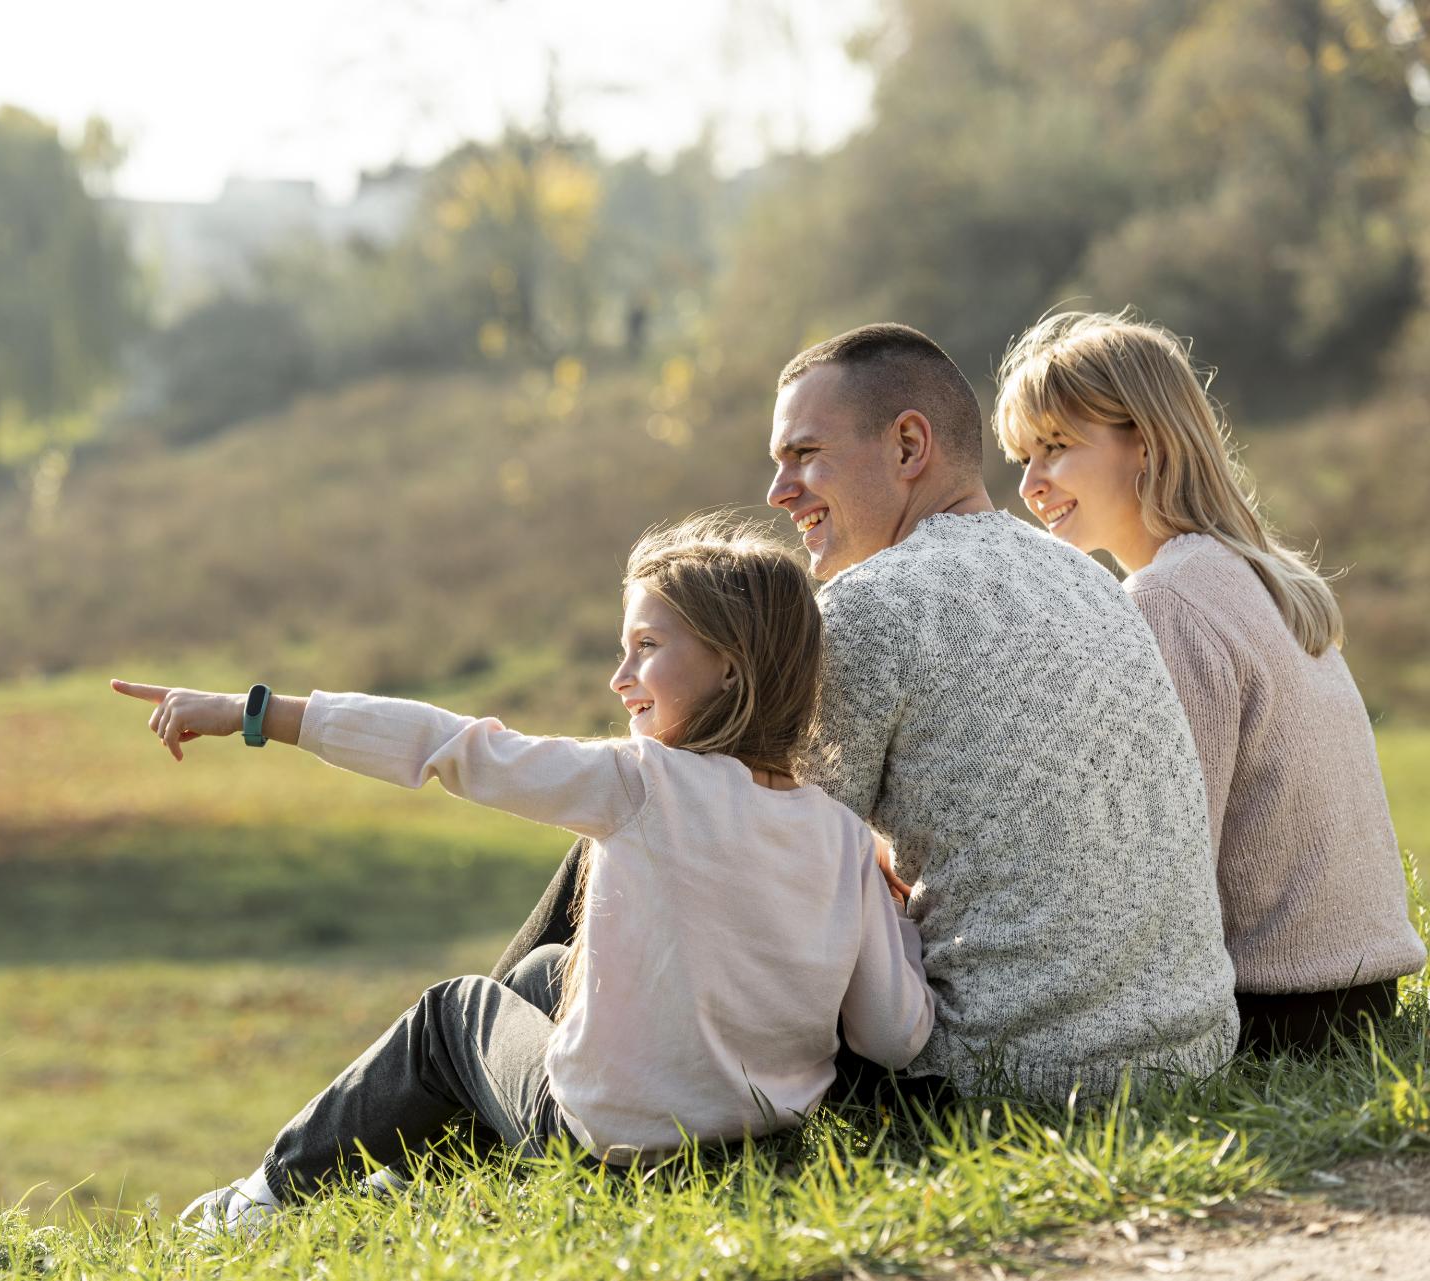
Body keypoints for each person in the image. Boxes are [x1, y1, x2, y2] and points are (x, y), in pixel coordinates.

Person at [112, 514, 934, 1235]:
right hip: (750, 1150)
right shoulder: (839, 834)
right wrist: (896, 914)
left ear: (731, 666)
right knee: (544, 973)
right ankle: (408, 1174)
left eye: (646, 648)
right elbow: (893, 1033)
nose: (619, 679)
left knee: (452, 1014)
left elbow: (450, 745)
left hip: (610, 1148)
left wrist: (254, 712)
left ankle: (260, 1199)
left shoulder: (641, 781)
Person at [498, 323, 1239, 1101]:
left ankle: (491, 1106)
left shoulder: (869, 609)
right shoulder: (1086, 580)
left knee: (614, 858)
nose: (779, 492)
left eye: (804, 455)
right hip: (1188, 1050)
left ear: (909, 446)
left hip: (1002, 1072)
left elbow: (756, 871)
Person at [995, 309, 1426, 1055]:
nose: (1032, 484)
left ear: (1147, 443)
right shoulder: (1256, 573)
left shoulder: (1169, 599)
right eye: (1022, 457)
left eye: (1057, 447)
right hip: (1360, 991)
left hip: (1281, 1008)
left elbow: (1160, 859)